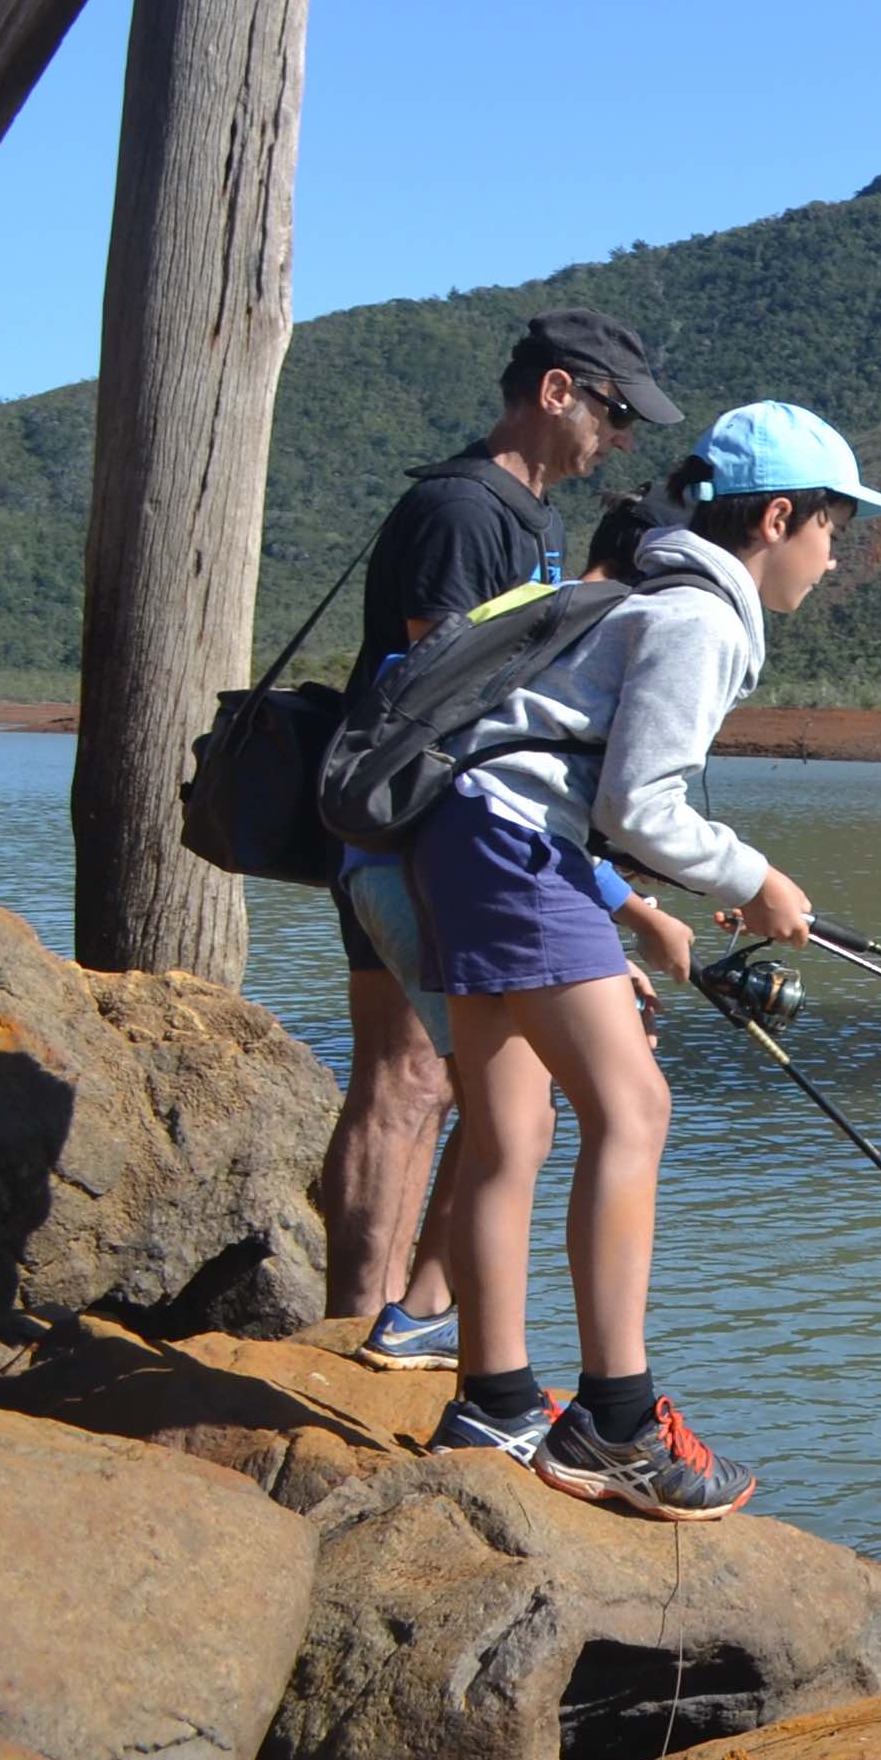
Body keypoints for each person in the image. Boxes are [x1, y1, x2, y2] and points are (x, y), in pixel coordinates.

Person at [411, 400, 881, 1519]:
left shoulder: (655, 591)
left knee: (508, 1128)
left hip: (462, 835)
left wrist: (698, 877)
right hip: (517, 849)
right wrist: (755, 879)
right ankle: (617, 1423)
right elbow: (637, 801)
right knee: (635, 1113)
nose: (835, 557)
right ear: (777, 518)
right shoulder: (701, 619)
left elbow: (606, 783)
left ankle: (492, 1398)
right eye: (832, 530)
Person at [320, 308, 683, 1366]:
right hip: (409, 839)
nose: (619, 440)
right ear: (557, 391)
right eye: (613, 413)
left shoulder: (529, 519)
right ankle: (364, 1321)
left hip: (461, 843)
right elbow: (448, 698)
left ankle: (414, 1314)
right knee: (409, 1079)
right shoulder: (462, 510)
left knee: (470, 1080)